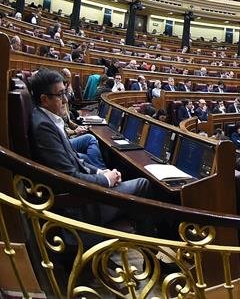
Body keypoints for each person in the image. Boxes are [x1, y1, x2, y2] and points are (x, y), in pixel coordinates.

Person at [28, 69, 152, 224]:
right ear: (44, 99)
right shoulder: (43, 127)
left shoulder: (45, 119)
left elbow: (74, 159)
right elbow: (69, 178)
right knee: (143, 184)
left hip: (82, 193)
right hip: (77, 206)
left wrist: (101, 172)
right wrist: (105, 180)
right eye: (60, 95)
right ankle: (143, 243)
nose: (65, 100)